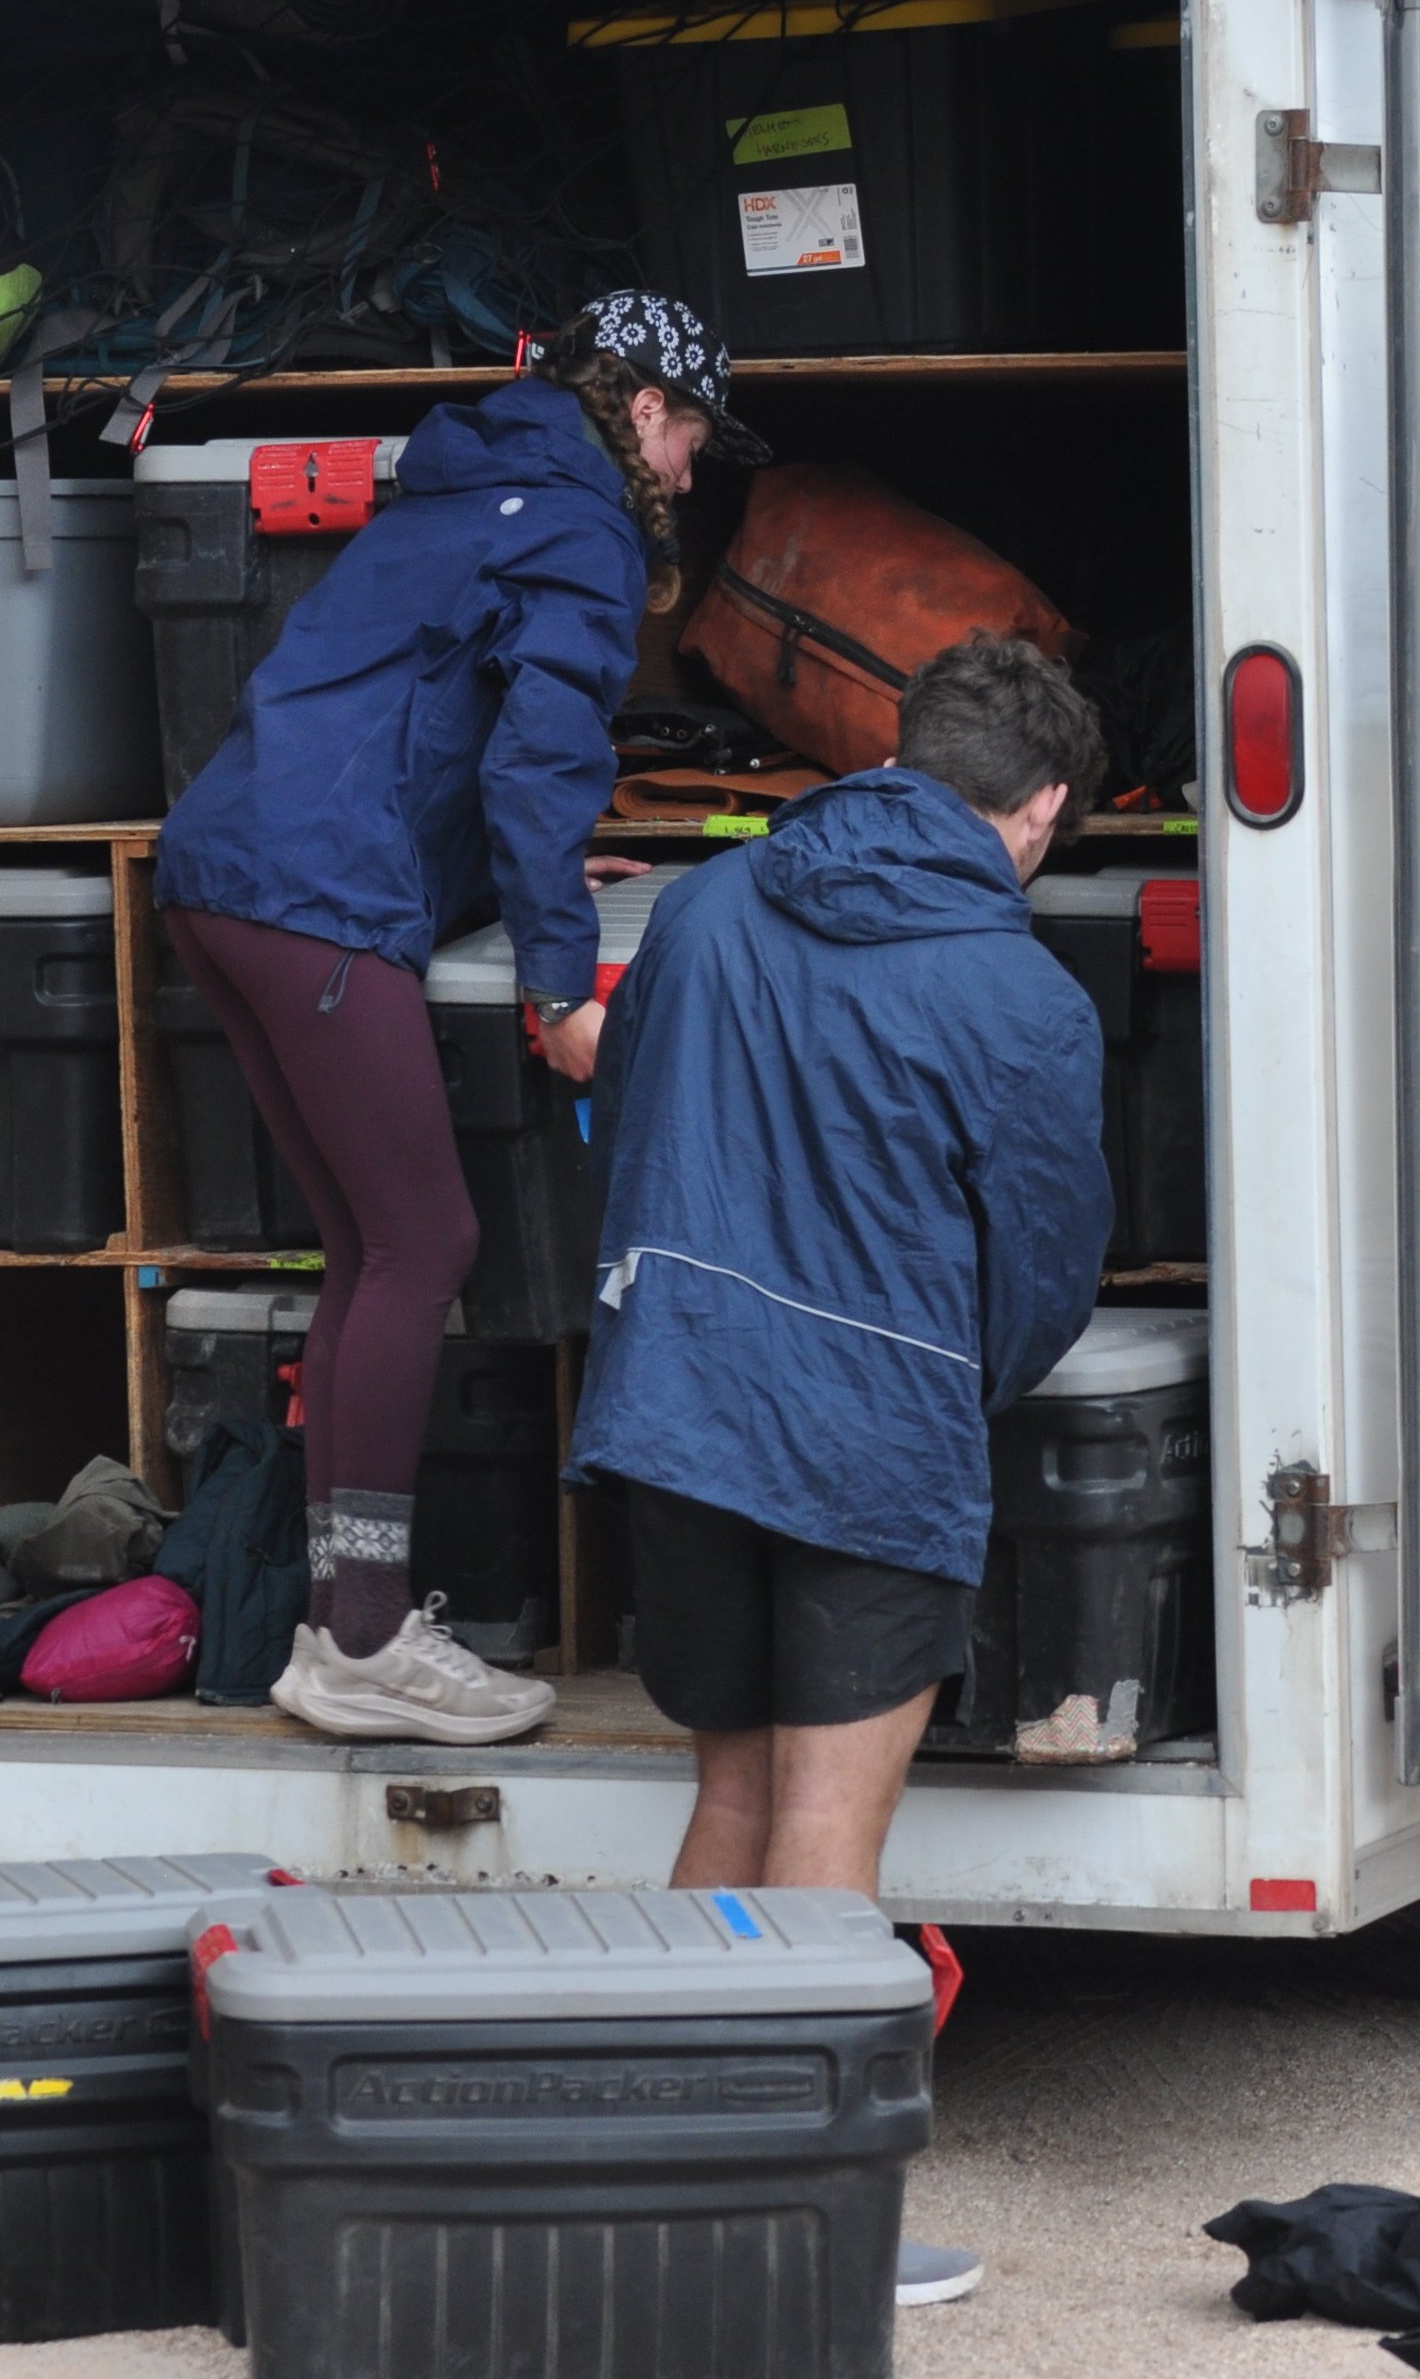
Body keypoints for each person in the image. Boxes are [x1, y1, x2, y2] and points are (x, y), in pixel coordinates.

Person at [568, 635, 1113, 2308]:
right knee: (827, 1835)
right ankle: (808, 2237)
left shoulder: (712, 906)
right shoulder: (1020, 994)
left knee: (730, 1795)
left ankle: (660, 2183)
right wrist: (955, 1386)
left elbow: (637, 1115)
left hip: (676, 1407)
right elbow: (1041, 1270)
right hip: (872, 1445)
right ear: (1033, 815)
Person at [154, 288, 763, 1744]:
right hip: (318, 892)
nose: (691, 479)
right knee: (428, 1242)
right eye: (694, 447)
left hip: (228, 874)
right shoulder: (586, 523)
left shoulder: (477, 477)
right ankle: (361, 1640)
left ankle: (339, 1632)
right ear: (652, 415)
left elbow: (432, 717)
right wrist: (561, 985)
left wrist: (522, 870)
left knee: (371, 1246)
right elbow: (541, 755)